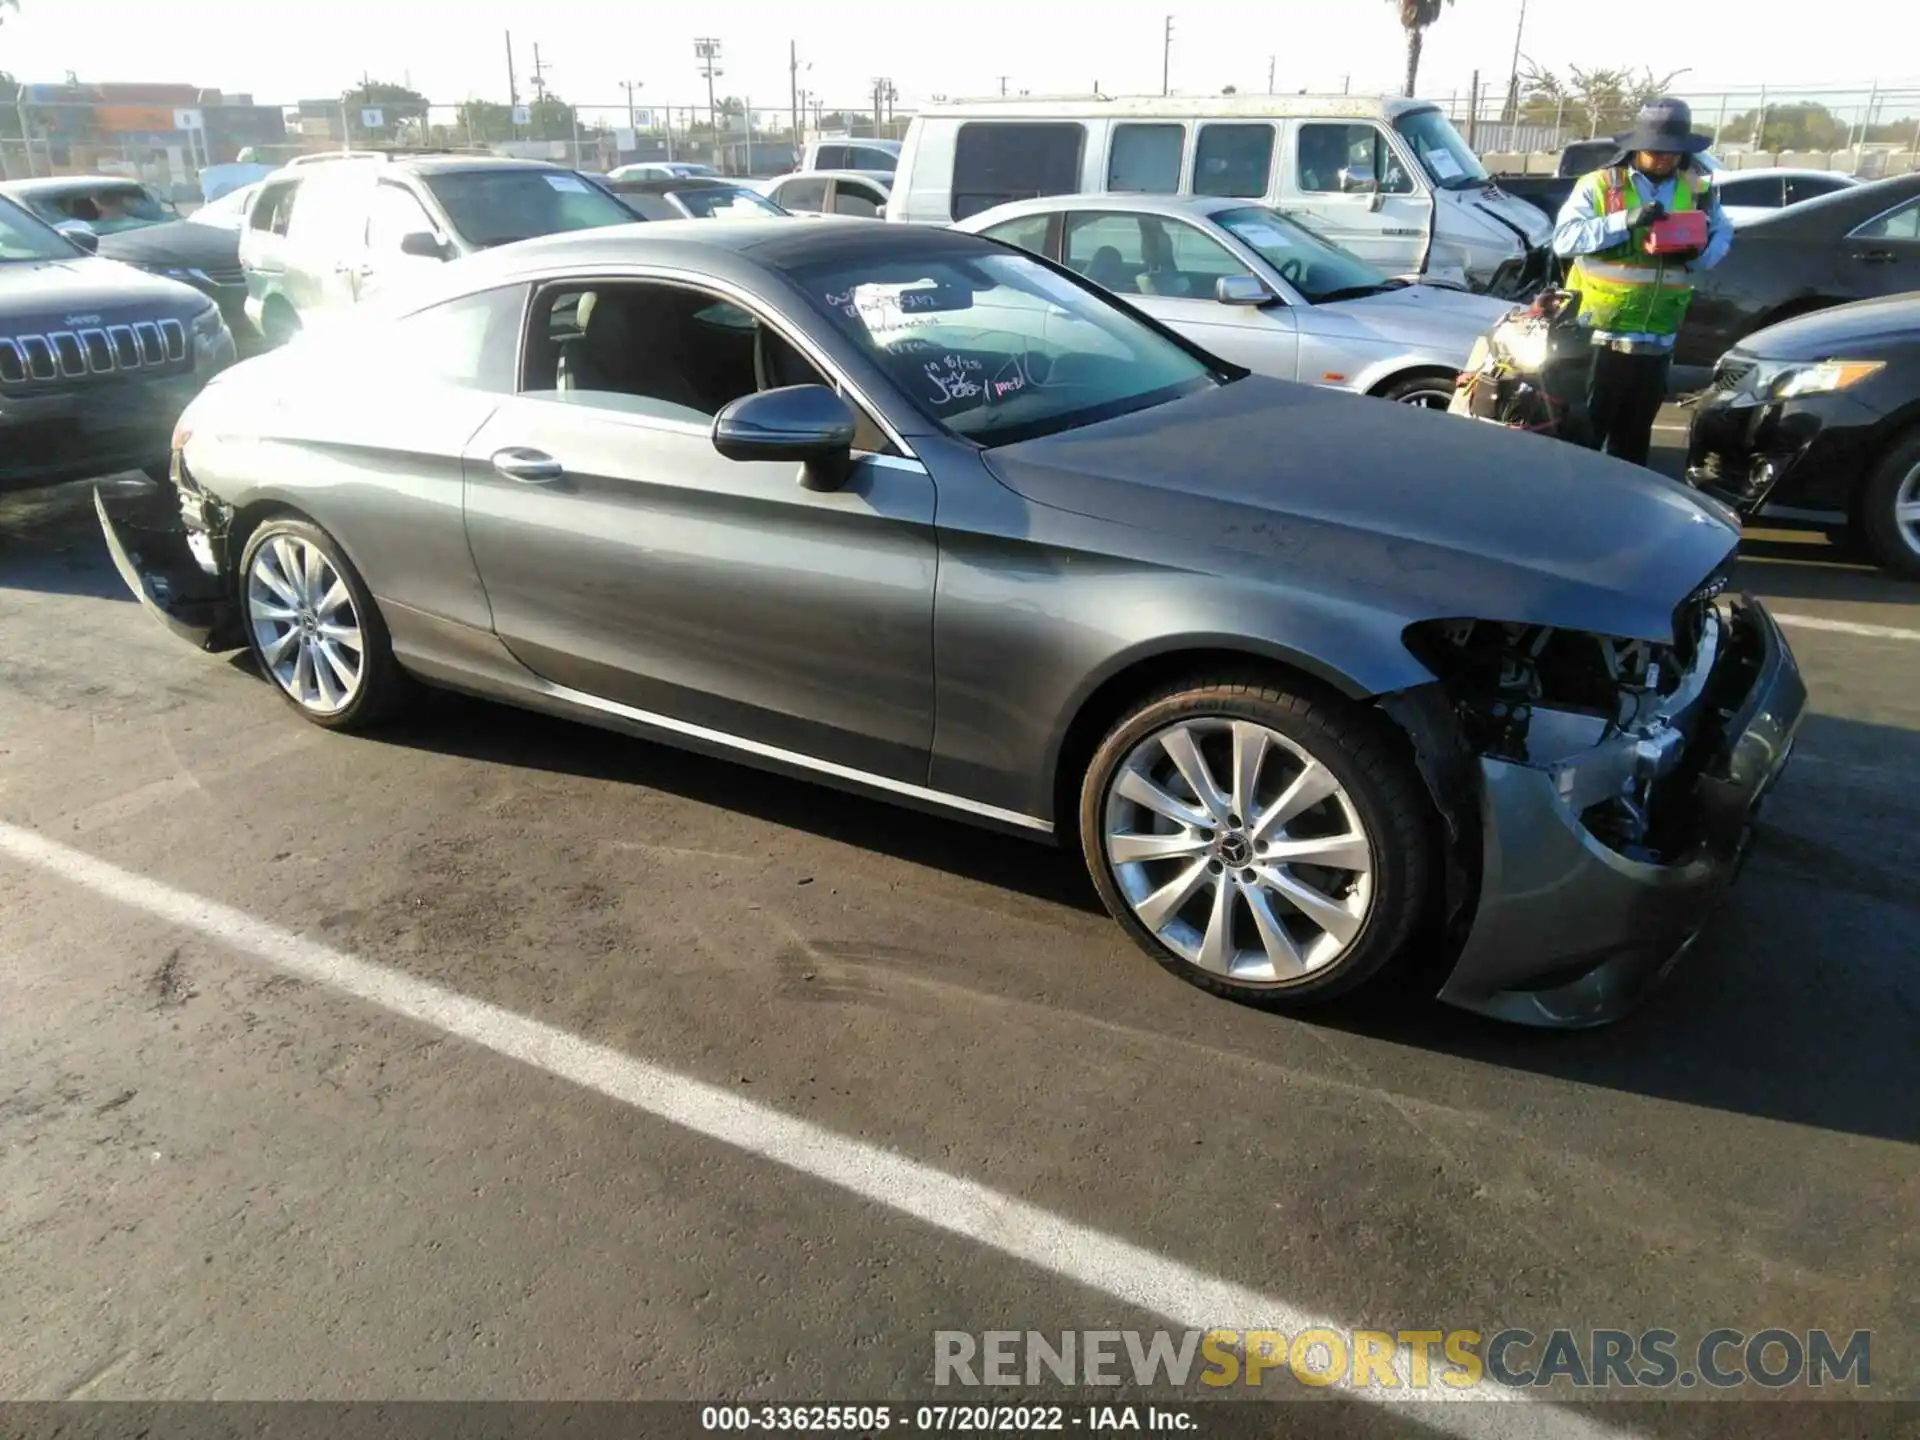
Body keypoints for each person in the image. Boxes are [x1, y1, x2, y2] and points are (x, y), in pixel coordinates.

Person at [1551, 98, 1732, 466]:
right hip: (1601, 336)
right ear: (1636, 146)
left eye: (1672, 152)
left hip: (1658, 338)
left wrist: (1696, 256)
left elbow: (1723, 237)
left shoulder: (1698, 190)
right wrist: (1625, 221)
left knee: (1633, 444)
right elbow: (1564, 240)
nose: (1664, 158)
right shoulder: (1600, 185)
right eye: (1655, 150)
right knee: (1584, 439)